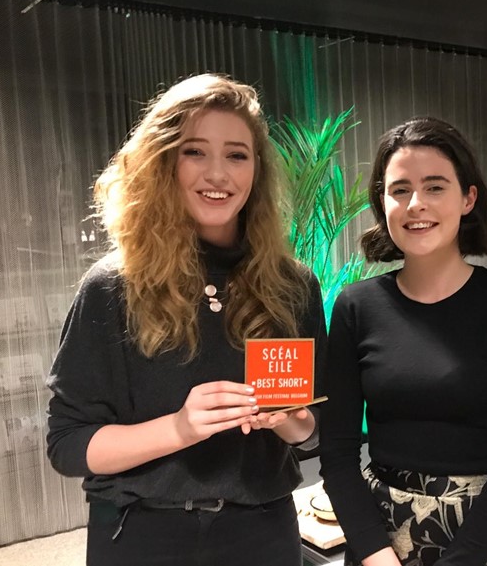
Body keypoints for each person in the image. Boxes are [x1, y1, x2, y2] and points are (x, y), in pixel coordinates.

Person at [46, 74, 327, 566]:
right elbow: (69, 445)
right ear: (164, 162)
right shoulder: (113, 286)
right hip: (140, 533)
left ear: (256, 170)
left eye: (237, 154)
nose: (218, 174)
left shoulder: (293, 285)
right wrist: (178, 428)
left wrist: (294, 421)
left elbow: (318, 430)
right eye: (195, 151)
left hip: (263, 533)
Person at [319, 117, 487, 566]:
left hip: (486, 538)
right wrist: (375, 554)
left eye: (435, 187)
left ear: (468, 198)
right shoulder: (356, 306)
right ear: (382, 202)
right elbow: (337, 453)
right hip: (381, 541)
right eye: (399, 189)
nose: (415, 204)